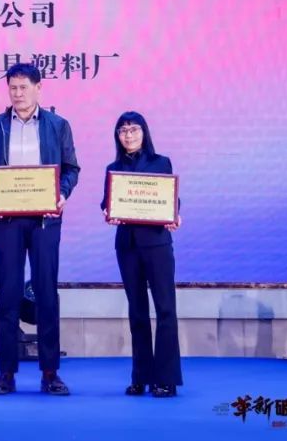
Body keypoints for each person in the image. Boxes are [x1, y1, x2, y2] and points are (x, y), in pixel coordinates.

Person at [0, 63, 80, 396]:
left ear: (38, 88)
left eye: (23, 87)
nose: (18, 94)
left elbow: (71, 168)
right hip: (7, 219)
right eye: (13, 88)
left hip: (45, 219)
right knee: (7, 293)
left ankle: (50, 372)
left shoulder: (58, 125)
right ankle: (6, 372)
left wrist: (62, 194)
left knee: (46, 293)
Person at [101, 111, 182, 398]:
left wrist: (175, 215)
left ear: (144, 132)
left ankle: (166, 379)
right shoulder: (113, 168)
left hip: (157, 244)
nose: (128, 135)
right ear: (118, 136)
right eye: (123, 130)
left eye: (133, 129)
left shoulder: (161, 162)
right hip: (128, 246)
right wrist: (108, 212)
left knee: (165, 309)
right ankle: (141, 377)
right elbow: (106, 203)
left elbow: (172, 199)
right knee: (137, 312)